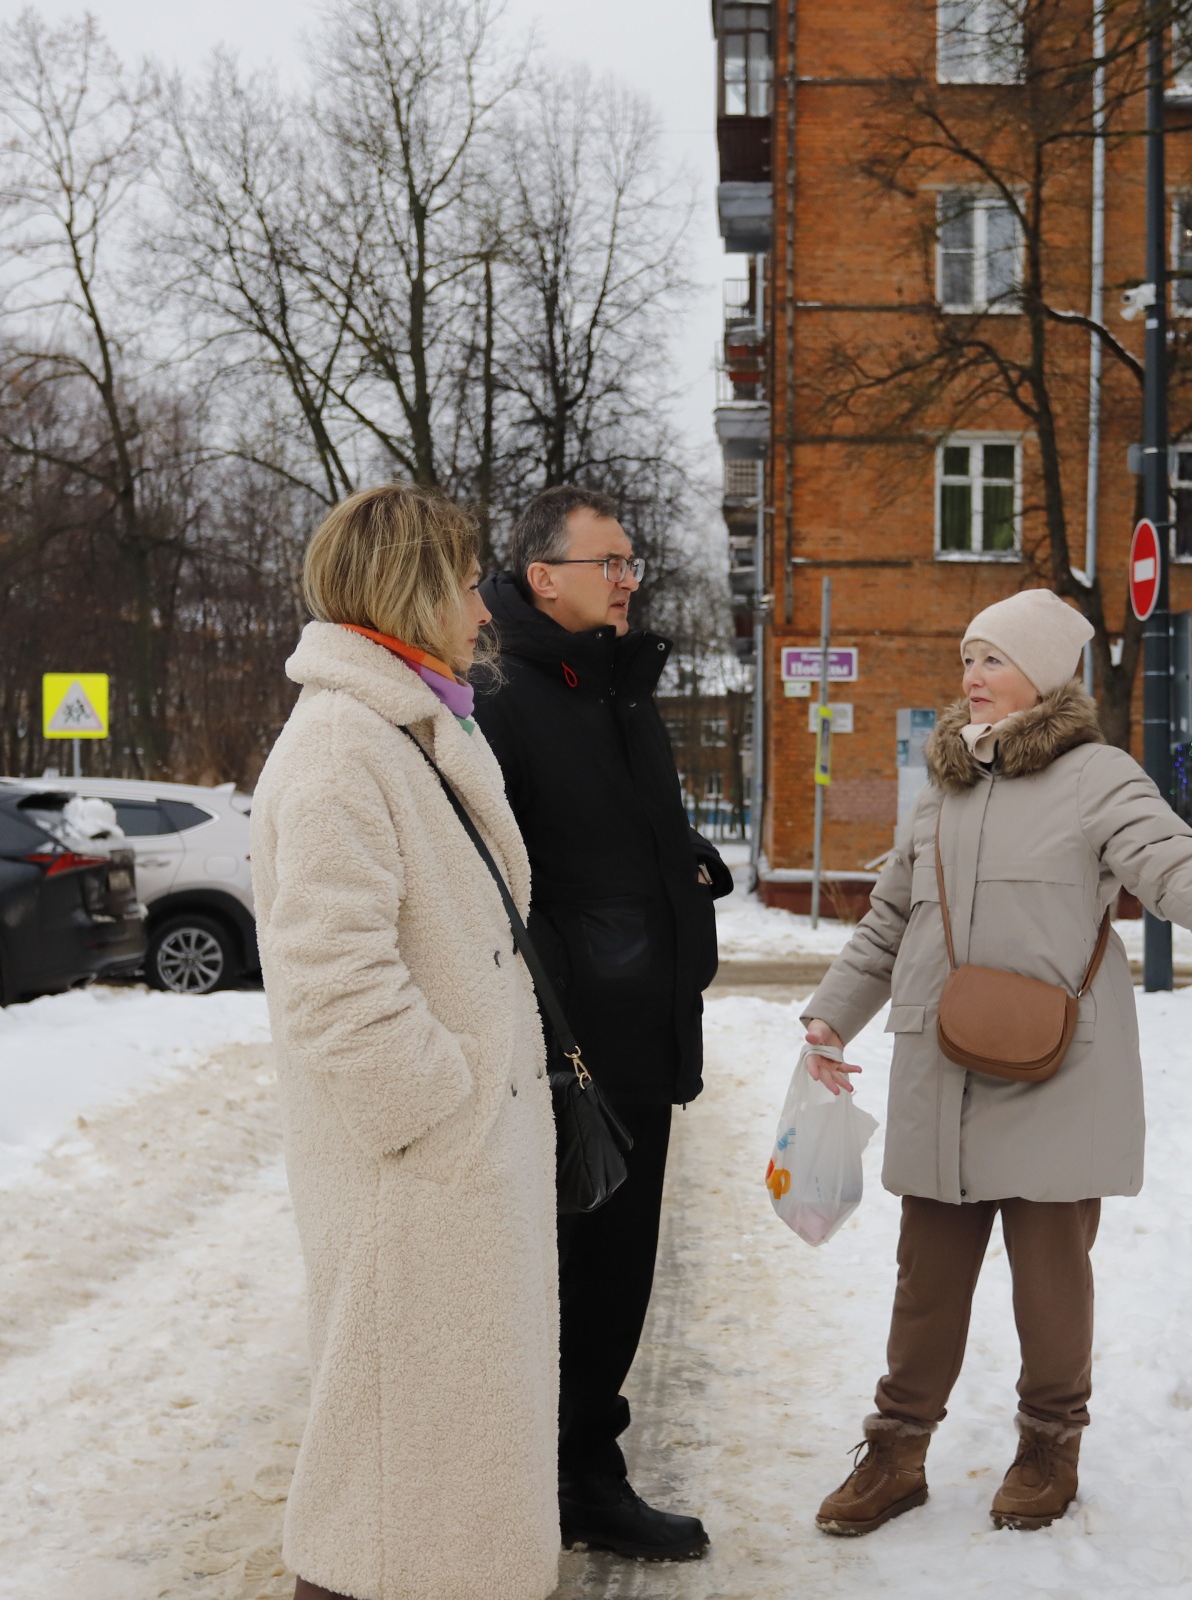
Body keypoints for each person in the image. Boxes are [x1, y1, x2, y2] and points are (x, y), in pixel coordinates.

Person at [797, 588, 1192, 1536]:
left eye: (993, 660)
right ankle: (896, 1450)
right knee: (924, 1275)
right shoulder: (942, 784)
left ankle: (1049, 1444)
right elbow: (890, 920)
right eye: (966, 658)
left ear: (1046, 677)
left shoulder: (1097, 777)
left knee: (1050, 1274)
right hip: (942, 1064)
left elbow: (1181, 869)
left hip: (1054, 1066)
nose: (971, 677)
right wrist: (830, 1021)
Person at [251, 483, 559, 1600]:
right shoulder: (343, 747)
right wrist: (443, 1109)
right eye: (467, 583)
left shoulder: (401, 727)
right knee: (384, 1480)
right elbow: (332, 982)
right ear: (410, 589)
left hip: (450, 1179)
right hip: (417, 1177)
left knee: (432, 1463)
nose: (483, 610)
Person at [473, 484, 726, 1562]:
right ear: (545, 578)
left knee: (620, 1275)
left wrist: (682, 873)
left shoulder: (618, 689)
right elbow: (497, 886)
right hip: (568, 1052)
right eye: (608, 561)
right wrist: (568, 993)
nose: (629, 577)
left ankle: (579, 1472)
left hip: (641, 1039)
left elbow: (612, 844)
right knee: (566, 1278)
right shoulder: (503, 699)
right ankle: (555, 1480)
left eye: (630, 561)